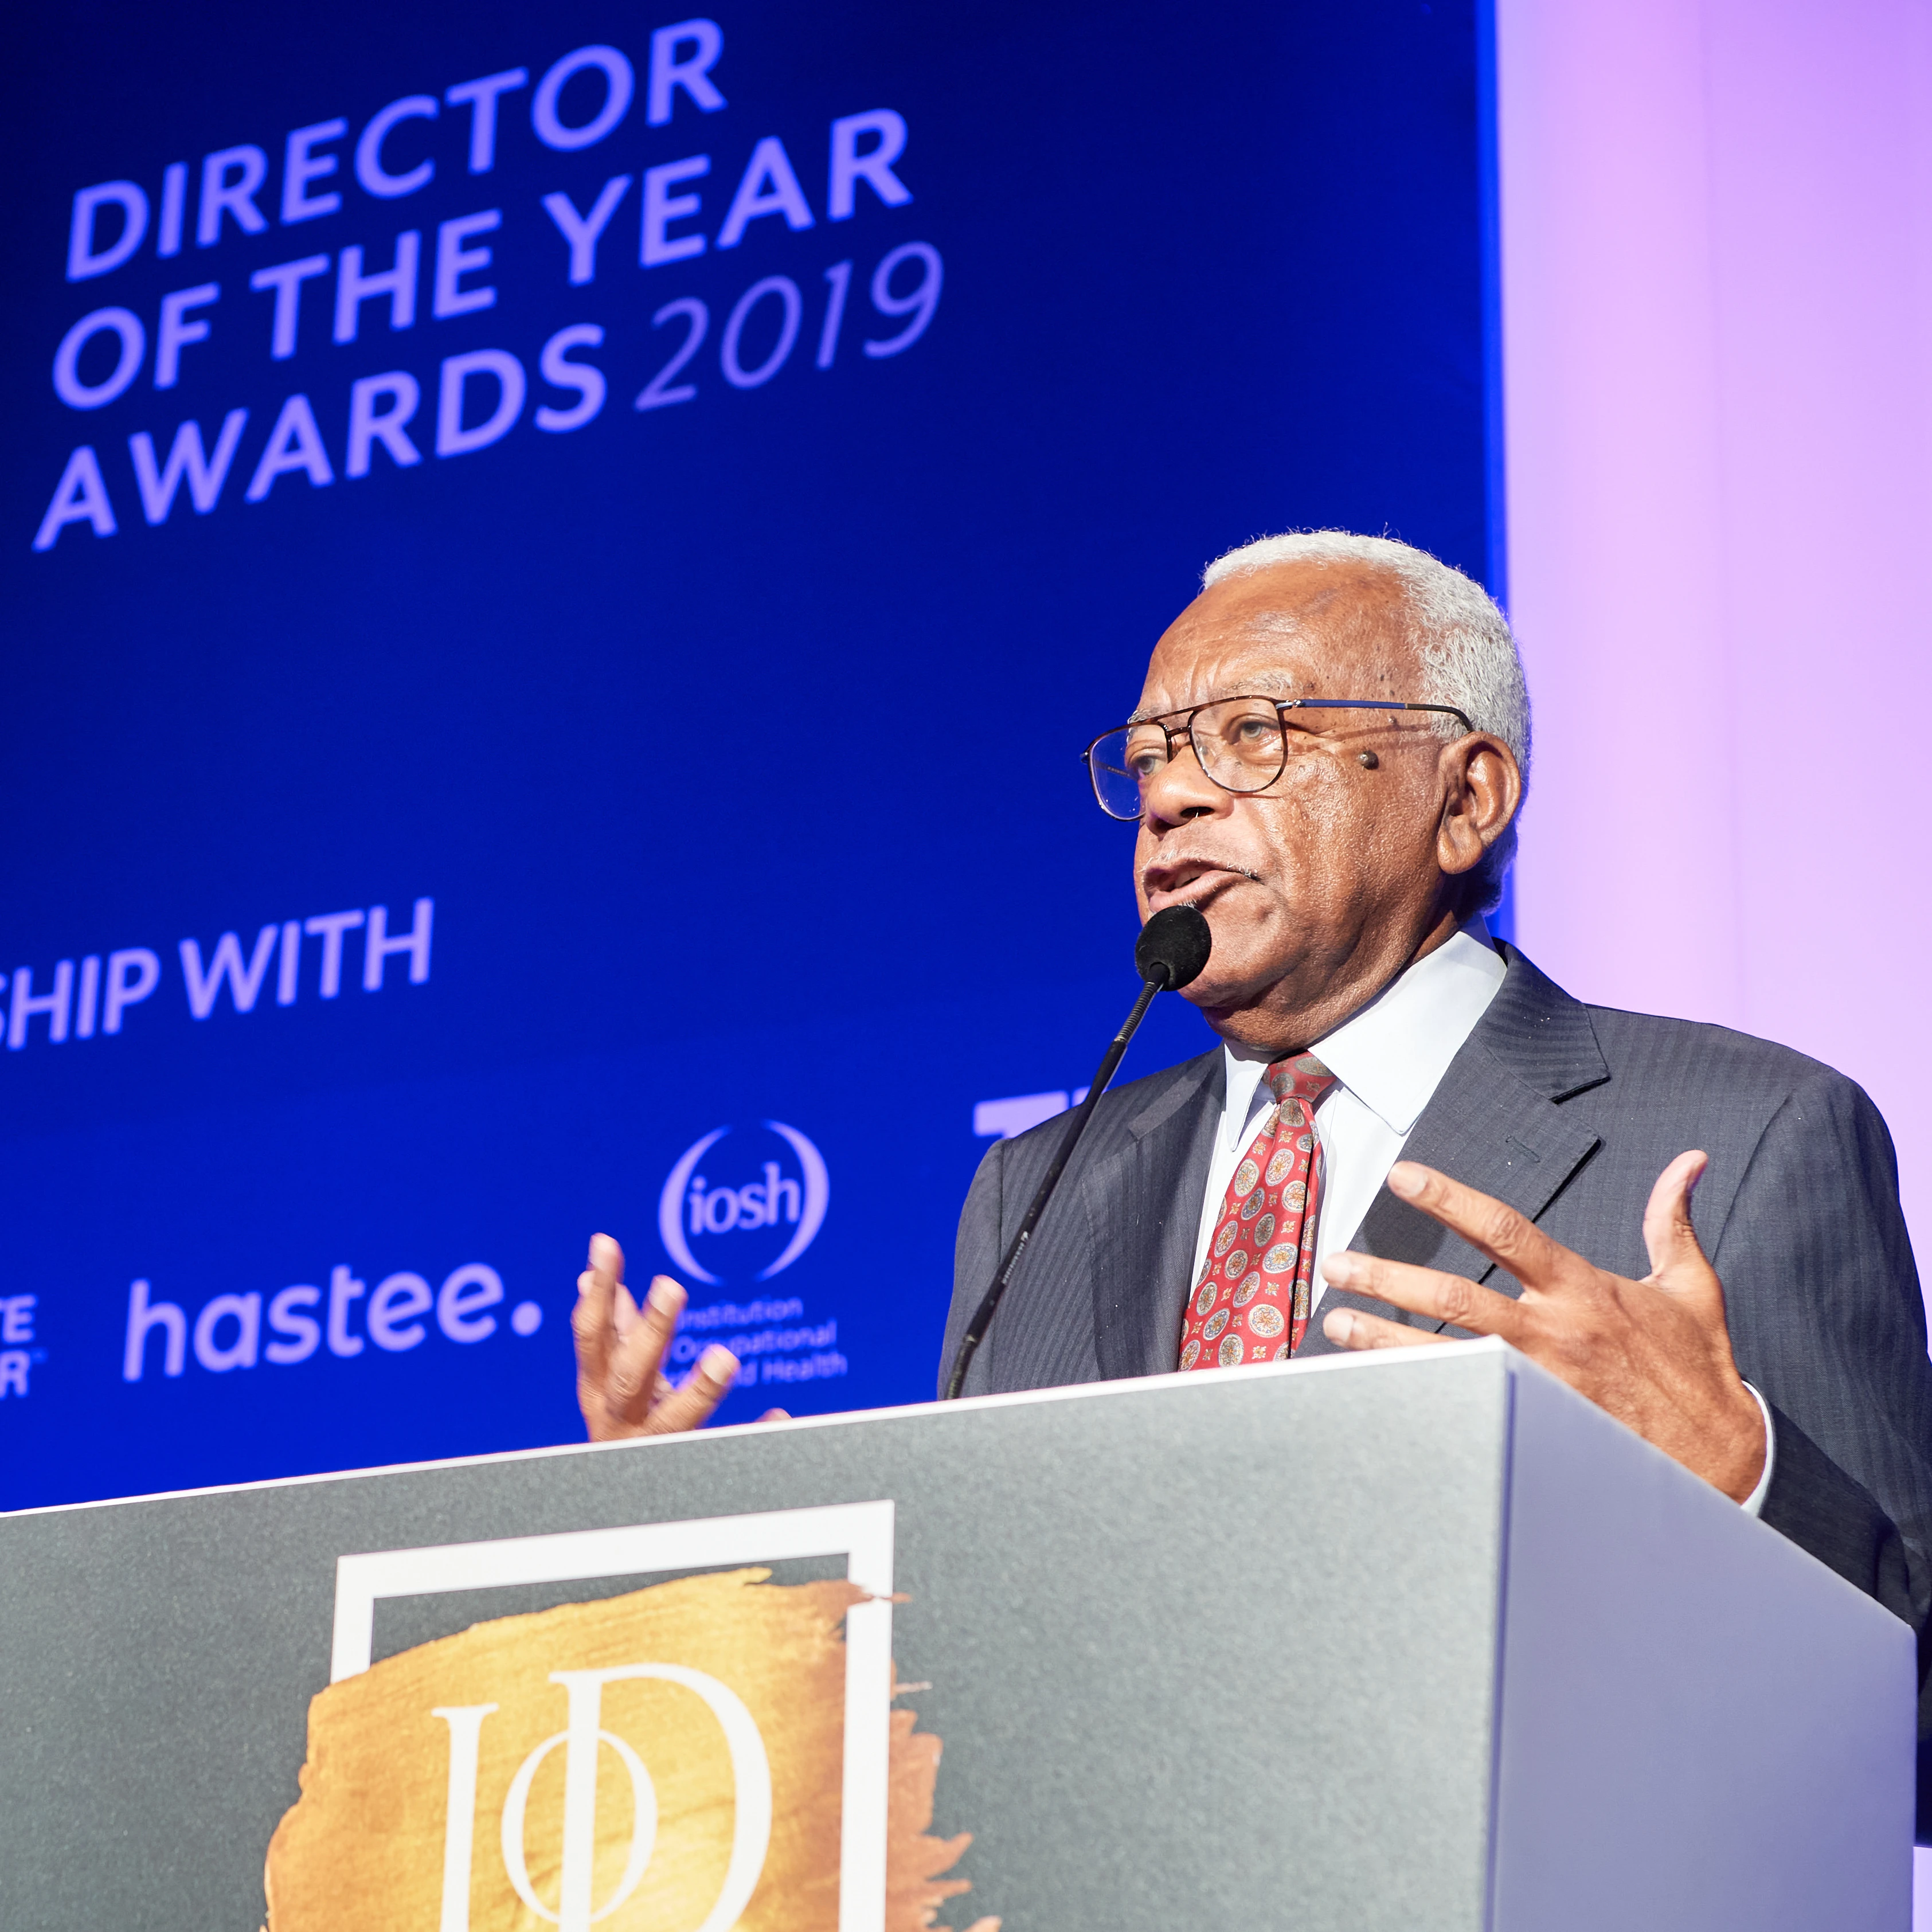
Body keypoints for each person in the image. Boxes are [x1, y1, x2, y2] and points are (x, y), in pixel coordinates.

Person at [573, 531, 1931, 1820]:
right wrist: (718, 1569)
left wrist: (1739, 1471)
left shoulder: (1746, 1134)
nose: (1168, 792)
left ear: (1463, 799)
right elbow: (981, 1699)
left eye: (1248, 735)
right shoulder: (1034, 1189)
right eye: (1151, 755)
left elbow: (1911, 1716)